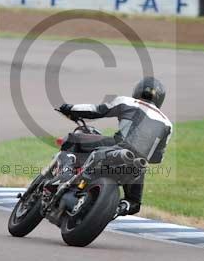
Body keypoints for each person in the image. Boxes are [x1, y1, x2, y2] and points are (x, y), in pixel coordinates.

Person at [59, 77, 173, 216]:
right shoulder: (167, 123)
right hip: (137, 165)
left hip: (116, 146)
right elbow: (157, 157)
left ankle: (63, 180)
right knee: (134, 203)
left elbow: (96, 111)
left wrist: (70, 108)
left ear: (138, 90)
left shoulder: (127, 101)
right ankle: (119, 208)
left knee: (73, 140)